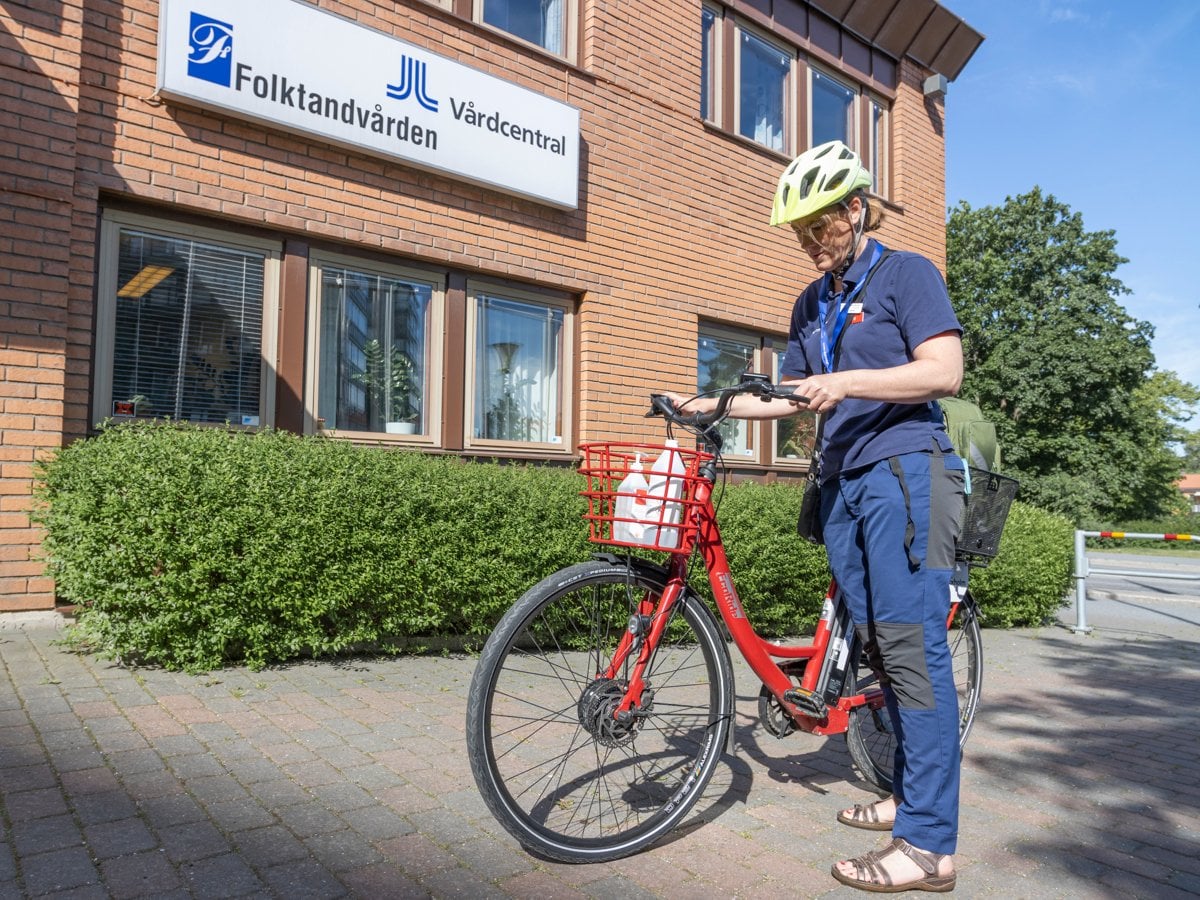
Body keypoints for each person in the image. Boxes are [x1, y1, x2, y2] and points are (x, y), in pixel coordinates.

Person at [670, 140, 966, 893]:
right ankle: (903, 790)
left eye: (820, 227)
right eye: (800, 232)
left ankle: (929, 845)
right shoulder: (812, 302)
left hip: (908, 473)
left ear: (856, 209)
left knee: (911, 652)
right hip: (843, 483)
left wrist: (849, 380)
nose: (809, 243)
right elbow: (794, 396)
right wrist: (713, 405)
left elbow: (944, 370)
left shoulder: (907, 274)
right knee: (875, 647)